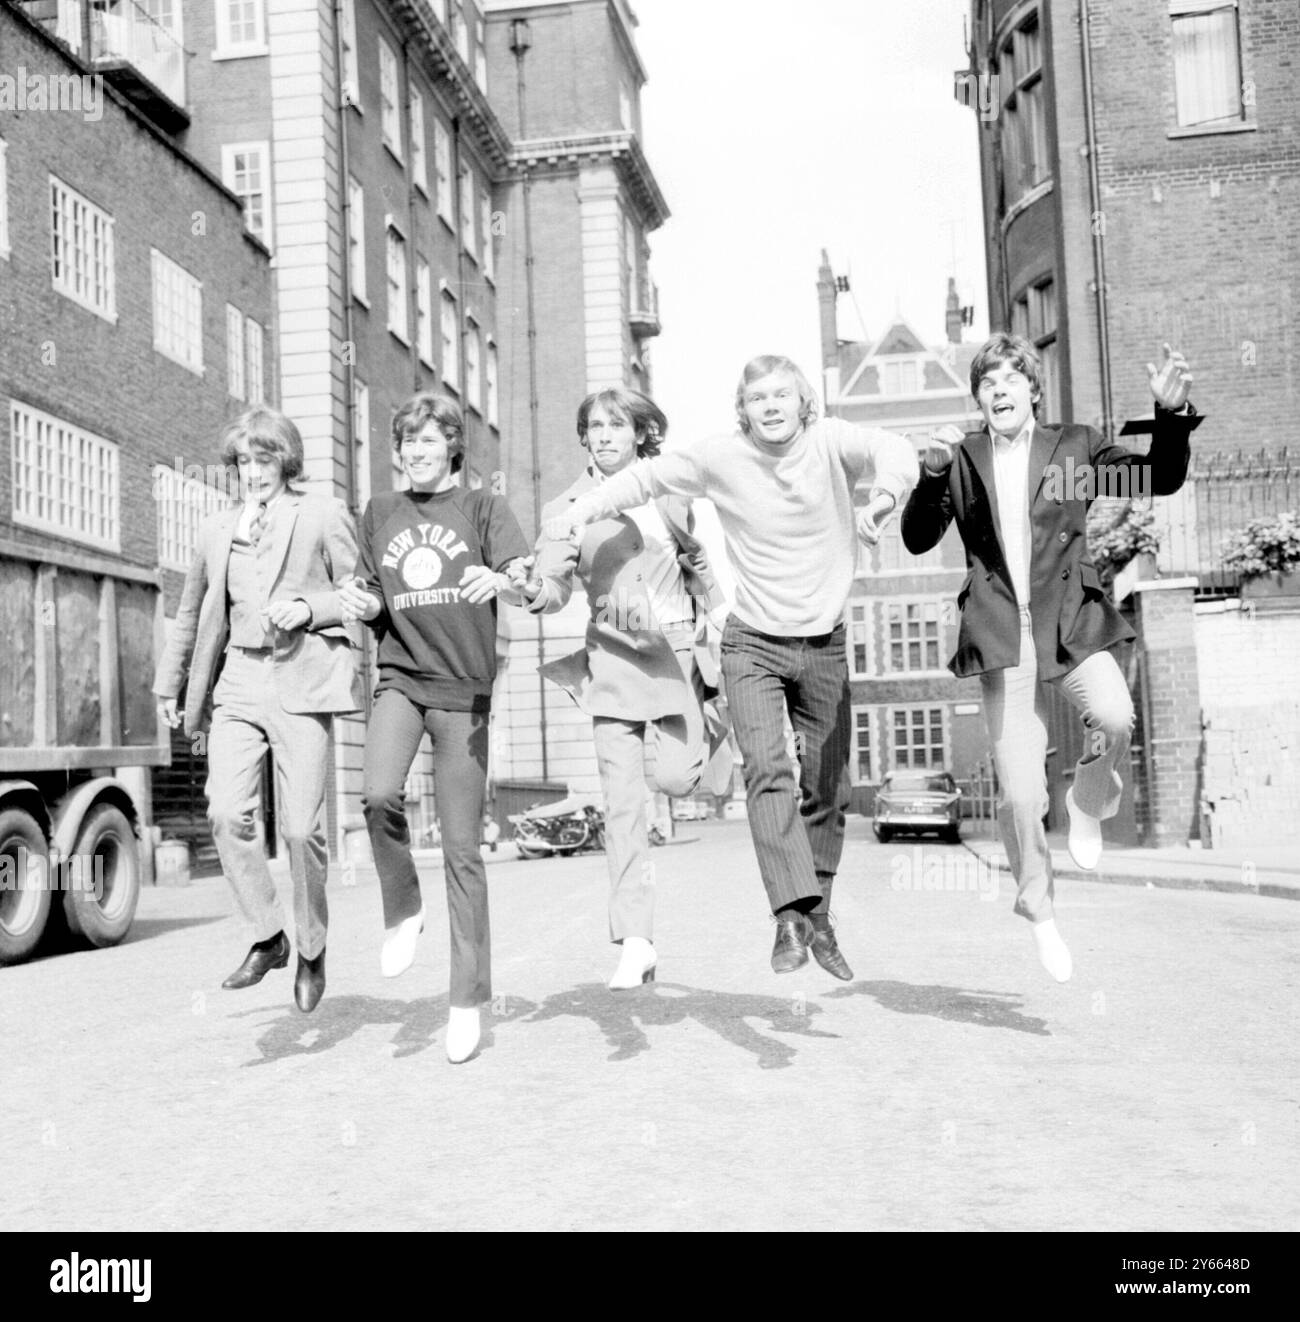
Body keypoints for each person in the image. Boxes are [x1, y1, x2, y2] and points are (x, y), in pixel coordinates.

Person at [546, 356, 917, 979]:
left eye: (781, 395)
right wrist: (578, 513)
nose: (770, 407)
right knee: (768, 770)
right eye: (756, 399)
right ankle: (790, 918)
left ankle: (817, 913)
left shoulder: (831, 443)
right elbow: (643, 480)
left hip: (823, 642)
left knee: (828, 785)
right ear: (741, 410)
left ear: (803, 402)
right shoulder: (720, 457)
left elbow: (894, 448)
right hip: (753, 641)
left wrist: (882, 499)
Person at [901, 336, 1199, 981]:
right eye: (988, 382)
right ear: (978, 397)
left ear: (1033, 389)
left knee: (1116, 718)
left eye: (1012, 378)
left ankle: (1091, 796)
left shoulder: (1074, 450)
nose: (1000, 390)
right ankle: (1041, 915)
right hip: (1004, 639)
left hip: (1070, 626)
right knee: (1017, 795)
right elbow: (918, 538)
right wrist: (928, 476)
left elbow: (1160, 478)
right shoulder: (960, 458)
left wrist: (1171, 417)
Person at [511, 388, 729, 990]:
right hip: (611, 663)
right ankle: (636, 939)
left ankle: (713, 732)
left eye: (617, 424)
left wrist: (712, 600)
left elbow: (695, 559)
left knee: (677, 779)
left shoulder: (669, 488)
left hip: (678, 653)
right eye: (594, 427)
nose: (605, 435)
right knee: (624, 806)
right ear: (585, 438)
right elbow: (550, 583)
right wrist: (529, 591)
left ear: (640, 433)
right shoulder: (569, 505)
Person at [338, 392, 529, 1064]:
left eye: (429, 441)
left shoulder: (484, 508)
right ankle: (402, 908)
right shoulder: (381, 513)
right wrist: (359, 603)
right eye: (406, 443)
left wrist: (502, 583)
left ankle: (466, 1001)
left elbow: (522, 577)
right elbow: (367, 595)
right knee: (377, 796)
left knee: (461, 851)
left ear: (452, 445)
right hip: (402, 678)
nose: (416, 453)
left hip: (466, 694)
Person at [153, 406, 362, 1013]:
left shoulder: (322, 513)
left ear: (285, 461)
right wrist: (170, 686)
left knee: (300, 830)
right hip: (239, 679)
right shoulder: (217, 529)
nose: (252, 472)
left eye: (263, 460)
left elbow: (360, 595)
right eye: (243, 461)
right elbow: (191, 613)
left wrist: (311, 609)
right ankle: (268, 937)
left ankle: (312, 947)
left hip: (303, 678)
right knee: (224, 813)